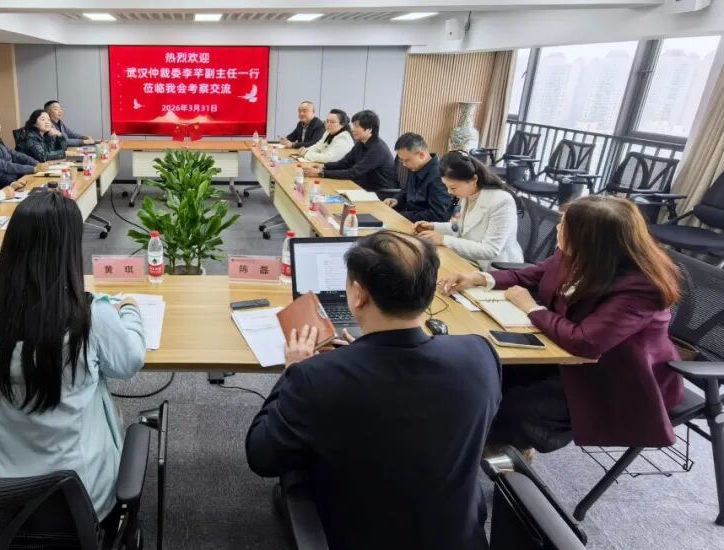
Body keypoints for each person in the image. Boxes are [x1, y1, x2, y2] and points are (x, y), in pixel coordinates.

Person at [246, 231, 501, 550]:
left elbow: (261, 455)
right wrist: (362, 353)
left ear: (359, 295)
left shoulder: (315, 378)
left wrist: (293, 370)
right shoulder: (480, 355)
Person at [0, 192, 146, 530]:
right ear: (70, 250)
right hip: (74, 501)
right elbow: (129, 361)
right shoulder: (89, 316)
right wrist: (129, 311)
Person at [440, 195, 684, 454]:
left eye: (564, 225)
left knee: (517, 406)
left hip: (613, 379)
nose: (557, 228)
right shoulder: (579, 253)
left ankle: (489, 451)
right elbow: (534, 275)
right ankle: (478, 442)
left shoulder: (641, 286)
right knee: (485, 372)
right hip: (562, 354)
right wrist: (480, 278)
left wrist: (532, 308)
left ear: (590, 239)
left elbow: (585, 342)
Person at [413, 150, 522, 270]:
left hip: (494, 269)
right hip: (470, 260)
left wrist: (443, 239)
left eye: (453, 187)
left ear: (474, 180)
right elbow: (460, 228)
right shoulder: (467, 195)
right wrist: (433, 226)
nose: (449, 192)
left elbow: (491, 249)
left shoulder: (501, 201)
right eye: (446, 186)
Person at [304, 110, 398, 192]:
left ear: (369, 129)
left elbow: (353, 172)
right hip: (362, 186)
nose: (352, 129)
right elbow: (344, 163)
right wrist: (324, 166)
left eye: (356, 126)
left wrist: (321, 173)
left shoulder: (377, 149)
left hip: (380, 192)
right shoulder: (361, 143)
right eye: (353, 125)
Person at [384, 132, 454, 222]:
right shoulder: (415, 166)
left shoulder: (439, 175)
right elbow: (406, 190)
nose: (404, 164)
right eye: (402, 160)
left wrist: (402, 216)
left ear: (421, 155)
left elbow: (438, 215)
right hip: (409, 218)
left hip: (423, 225)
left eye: (407, 160)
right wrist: (396, 199)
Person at [0, 111, 49, 184]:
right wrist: (33, 169)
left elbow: (16, 154)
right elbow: (3, 166)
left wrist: (37, 164)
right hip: (5, 183)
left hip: (15, 178)